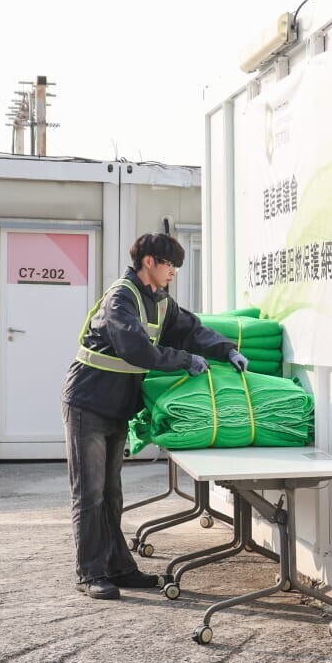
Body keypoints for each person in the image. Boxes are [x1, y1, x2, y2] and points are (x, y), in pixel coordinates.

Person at [62, 233, 248, 601]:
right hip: (87, 404)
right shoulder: (121, 298)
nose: (173, 271)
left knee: (112, 495)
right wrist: (183, 360)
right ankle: (90, 573)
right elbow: (135, 349)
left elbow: (191, 330)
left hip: (116, 408)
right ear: (148, 261)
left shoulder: (161, 302)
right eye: (169, 264)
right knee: (90, 493)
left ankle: (119, 568)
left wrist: (226, 350)